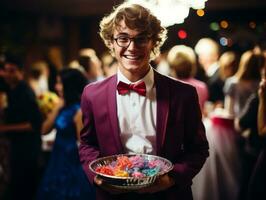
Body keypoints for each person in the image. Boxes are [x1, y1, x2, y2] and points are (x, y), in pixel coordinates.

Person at [79, 3, 209, 200]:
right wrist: (98, 177)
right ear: (111, 42)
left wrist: (172, 178)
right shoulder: (91, 94)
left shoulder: (184, 94)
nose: (132, 47)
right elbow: (87, 144)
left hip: (169, 194)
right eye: (123, 38)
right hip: (112, 195)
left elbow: (198, 149)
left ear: (153, 43)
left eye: (141, 38)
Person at [37, 68, 95, 200]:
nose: (56, 87)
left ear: (69, 86)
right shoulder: (63, 106)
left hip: (72, 162)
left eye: (60, 83)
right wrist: (58, 106)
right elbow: (44, 129)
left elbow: (84, 145)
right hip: (58, 158)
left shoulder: (79, 111)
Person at [0, 53, 43, 200]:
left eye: (12, 71)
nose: (7, 74)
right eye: (6, 70)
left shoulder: (25, 92)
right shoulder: (10, 90)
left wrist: (4, 129)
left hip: (27, 150)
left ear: (21, 72)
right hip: (15, 148)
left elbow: (33, 124)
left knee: (23, 189)